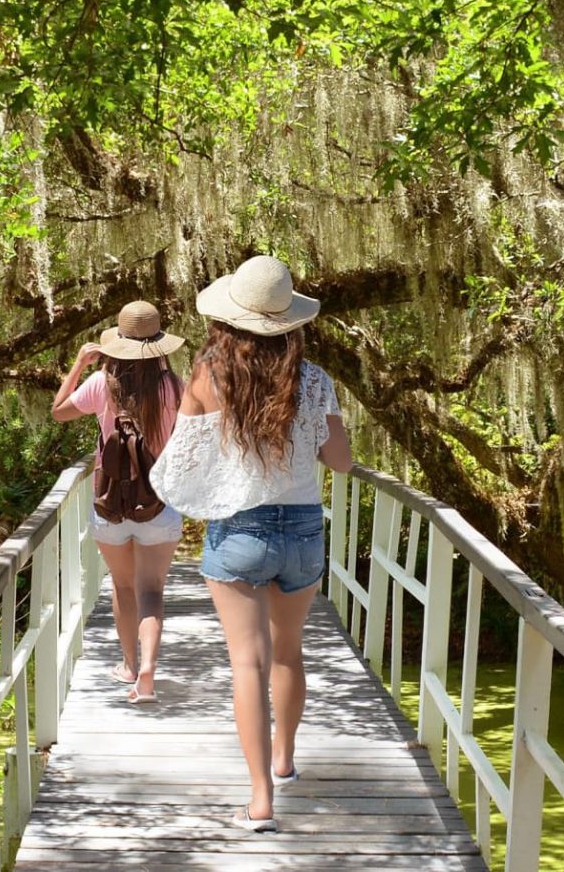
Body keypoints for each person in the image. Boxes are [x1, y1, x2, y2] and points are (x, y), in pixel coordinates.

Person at [149, 255, 352, 832]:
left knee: (248, 663)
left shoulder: (209, 377)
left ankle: (260, 799)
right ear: (291, 322)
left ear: (229, 319)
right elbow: (339, 460)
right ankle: (285, 760)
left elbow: (177, 459)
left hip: (239, 531)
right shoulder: (315, 382)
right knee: (288, 653)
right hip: (304, 531)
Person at [52, 300, 186, 703]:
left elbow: (58, 412)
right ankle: (148, 670)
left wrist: (79, 363)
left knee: (123, 587)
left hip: (109, 505)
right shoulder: (173, 388)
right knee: (151, 592)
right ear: (159, 345)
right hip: (159, 504)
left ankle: (128, 665)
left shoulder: (100, 384)